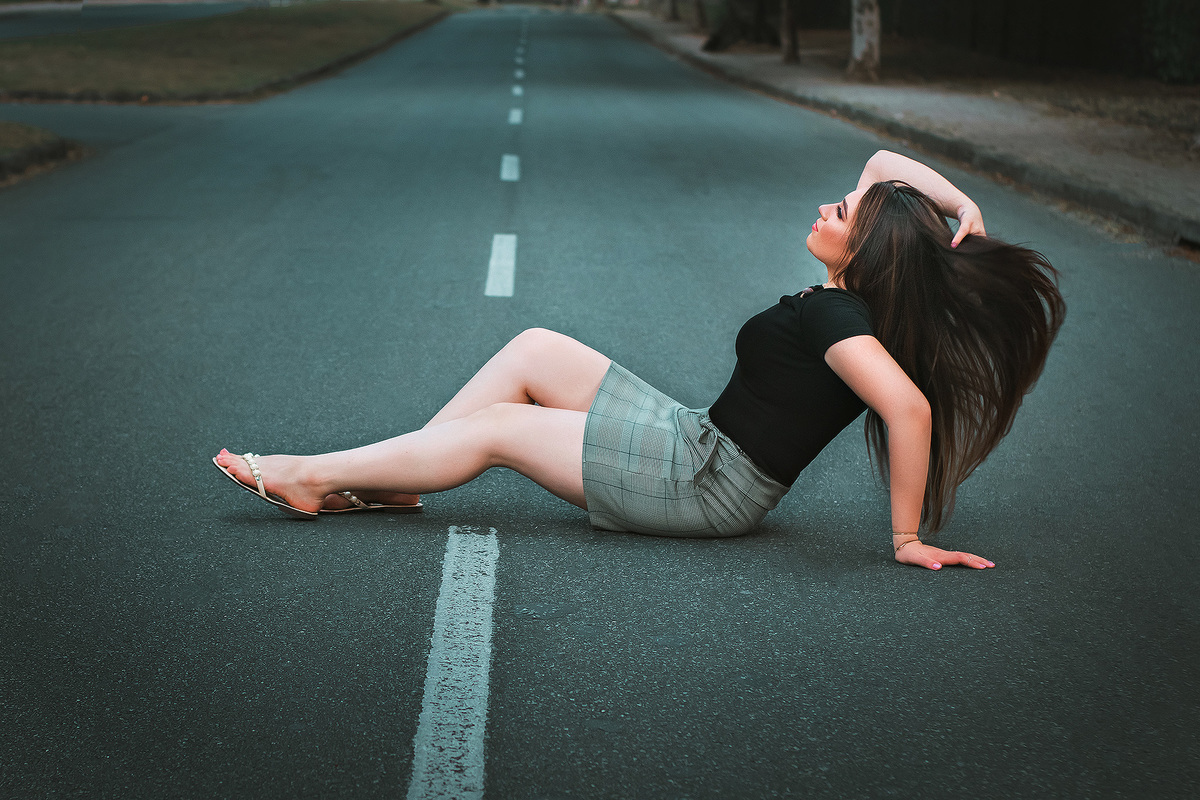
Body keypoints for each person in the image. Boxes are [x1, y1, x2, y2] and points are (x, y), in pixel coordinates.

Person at [214, 150, 1065, 571]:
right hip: (695, 437)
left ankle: (310, 476)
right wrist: (962, 202)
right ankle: (403, 478)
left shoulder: (840, 316)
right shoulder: (845, 298)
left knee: (503, 428)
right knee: (535, 348)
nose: (825, 205)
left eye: (840, 212)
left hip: (708, 484)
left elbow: (908, 408)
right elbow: (882, 165)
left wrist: (907, 539)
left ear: (867, 250)